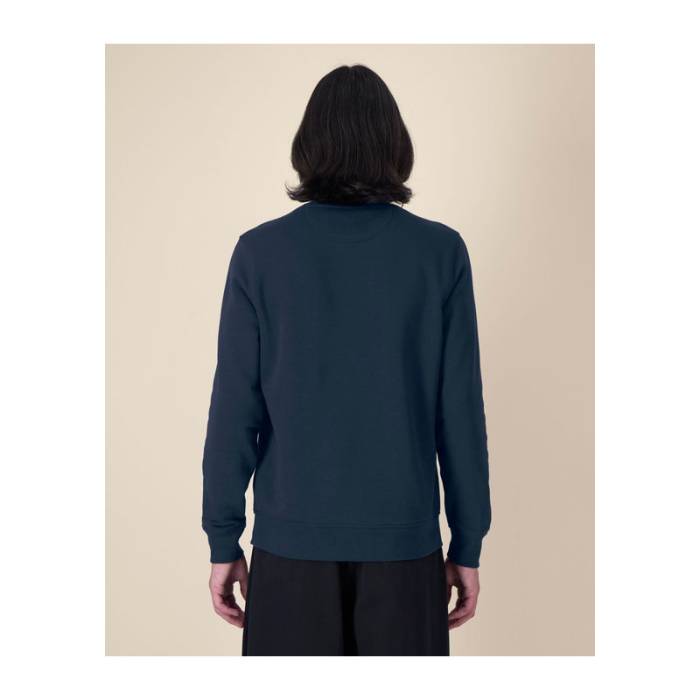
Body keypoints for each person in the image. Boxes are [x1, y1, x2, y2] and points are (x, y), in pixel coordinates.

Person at [202, 64, 491, 656]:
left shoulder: (260, 254)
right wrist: (467, 544)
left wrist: (223, 539)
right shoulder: (439, 253)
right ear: (395, 144)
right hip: (404, 549)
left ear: (308, 146)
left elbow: (234, 411)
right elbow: (459, 414)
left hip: (290, 549)